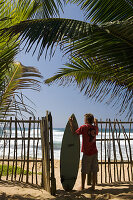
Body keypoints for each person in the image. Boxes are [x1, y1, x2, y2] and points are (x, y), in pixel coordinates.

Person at [69, 113, 99, 191]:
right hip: (94, 152)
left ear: (86, 120)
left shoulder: (83, 127)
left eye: (84, 119)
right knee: (94, 170)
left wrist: (71, 123)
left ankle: (82, 186)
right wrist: (96, 123)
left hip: (87, 153)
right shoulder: (95, 128)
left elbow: (74, 133)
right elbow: (97, 129)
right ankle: (93, 186)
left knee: (84, 170)